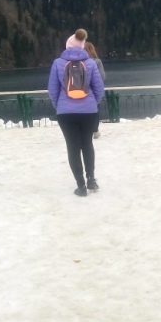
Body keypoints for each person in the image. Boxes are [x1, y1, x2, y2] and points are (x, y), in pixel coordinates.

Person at [48, 29, 104, 197]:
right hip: (89, 112)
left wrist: (60, 106)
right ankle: (91, 179)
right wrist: (92, 104)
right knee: (87, 144)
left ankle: (81, 186)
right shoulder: (91, 63)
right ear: (82, 46)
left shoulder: (58, 63)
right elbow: (99, 89)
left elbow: (53, 90)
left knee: (72, 147)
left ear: (67, 46)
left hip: (66, 113)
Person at [84, 41, 106, 139]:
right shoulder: (97, 62)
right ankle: (95, 130)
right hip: (93, 91)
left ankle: (85, 129)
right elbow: (102, 76)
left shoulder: (79, 62)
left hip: (81, 91)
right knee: (95, 110)